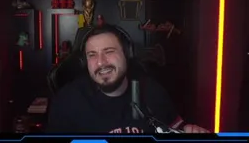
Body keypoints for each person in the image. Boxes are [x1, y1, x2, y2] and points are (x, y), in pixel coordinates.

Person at [46, 25, 210, 134]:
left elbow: (176, 128)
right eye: (92, 55)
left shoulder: (152, 91)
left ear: (127, 55)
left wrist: (189, 131)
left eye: (109, 51)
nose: (101, 62)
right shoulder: (67, 101)